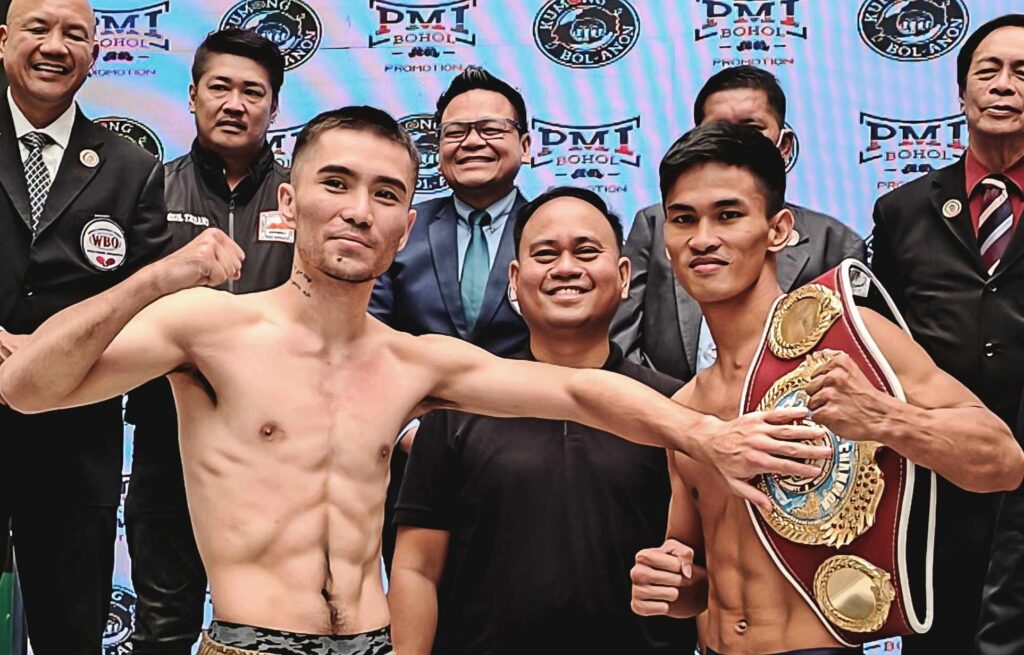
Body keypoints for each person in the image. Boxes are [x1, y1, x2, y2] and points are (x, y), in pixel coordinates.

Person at [0, 107, 831, 655]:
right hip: (250, 642)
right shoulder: (205, 330)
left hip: (372, 642)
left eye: (387, 193)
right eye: (337, 184)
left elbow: (582, 392)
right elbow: (29, 387)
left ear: (405, 225)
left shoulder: (413, 361)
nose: (360, 209)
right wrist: (158, 277)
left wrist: (708, 433)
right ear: (289, 204)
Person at [628, 122, 1024, 655]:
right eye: (683, 219)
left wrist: (885, 418)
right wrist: (671, 587)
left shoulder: (851, 340)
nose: (702, 238)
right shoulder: (685, 408)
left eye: (728, 215)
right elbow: (697, 574)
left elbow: (1003, 458)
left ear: (778, 230)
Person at [389, 187, 695, 655]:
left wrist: (686, 589)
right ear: (514, 280)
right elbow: (416, 570)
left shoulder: (675, 408)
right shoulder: (457, 407)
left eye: (586, 251)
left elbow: (709, 581)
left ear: (624, 276)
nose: (566, 267)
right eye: (545, 254)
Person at [0, 0, 169, 652]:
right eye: (38, 28)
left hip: (76, 445)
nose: (55, 46)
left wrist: (55, 354)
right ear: (5, 40)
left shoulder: (131, 169)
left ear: (96, 55)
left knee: (69, 634)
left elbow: (147, 310)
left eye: (75, 34)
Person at [124, 28, 291, 655]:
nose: (234, 103)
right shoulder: (149, 189)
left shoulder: (300, 197)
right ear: (192, 95)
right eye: (219, 87)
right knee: (163, 625)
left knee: (268, 630)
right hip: (167, 439)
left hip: (276, 446)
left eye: (253, 92)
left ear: (273, 108)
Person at [868, 14, 1024, 654]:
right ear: (961, 94)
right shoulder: (903, 209)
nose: (1005, 85)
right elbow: (881, 339)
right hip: (938, 476)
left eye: (1023, 73)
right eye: (988, 71)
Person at [369, 66, 533, 569]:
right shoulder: (400, 229)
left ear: (526, 145)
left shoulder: (553, 232)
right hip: (415, 462)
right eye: (456, 132)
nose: (472, 142)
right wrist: (400, 431)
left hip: (528, 455)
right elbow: (365, 339)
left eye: (491, 129)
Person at [613, 65, 863, 381]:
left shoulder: (835, 243)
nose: (702, 239)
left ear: (784, 146)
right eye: (685, 219)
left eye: (751, 128)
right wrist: (674, 414)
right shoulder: (653, 225)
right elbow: (620, 342)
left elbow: (860, 371)